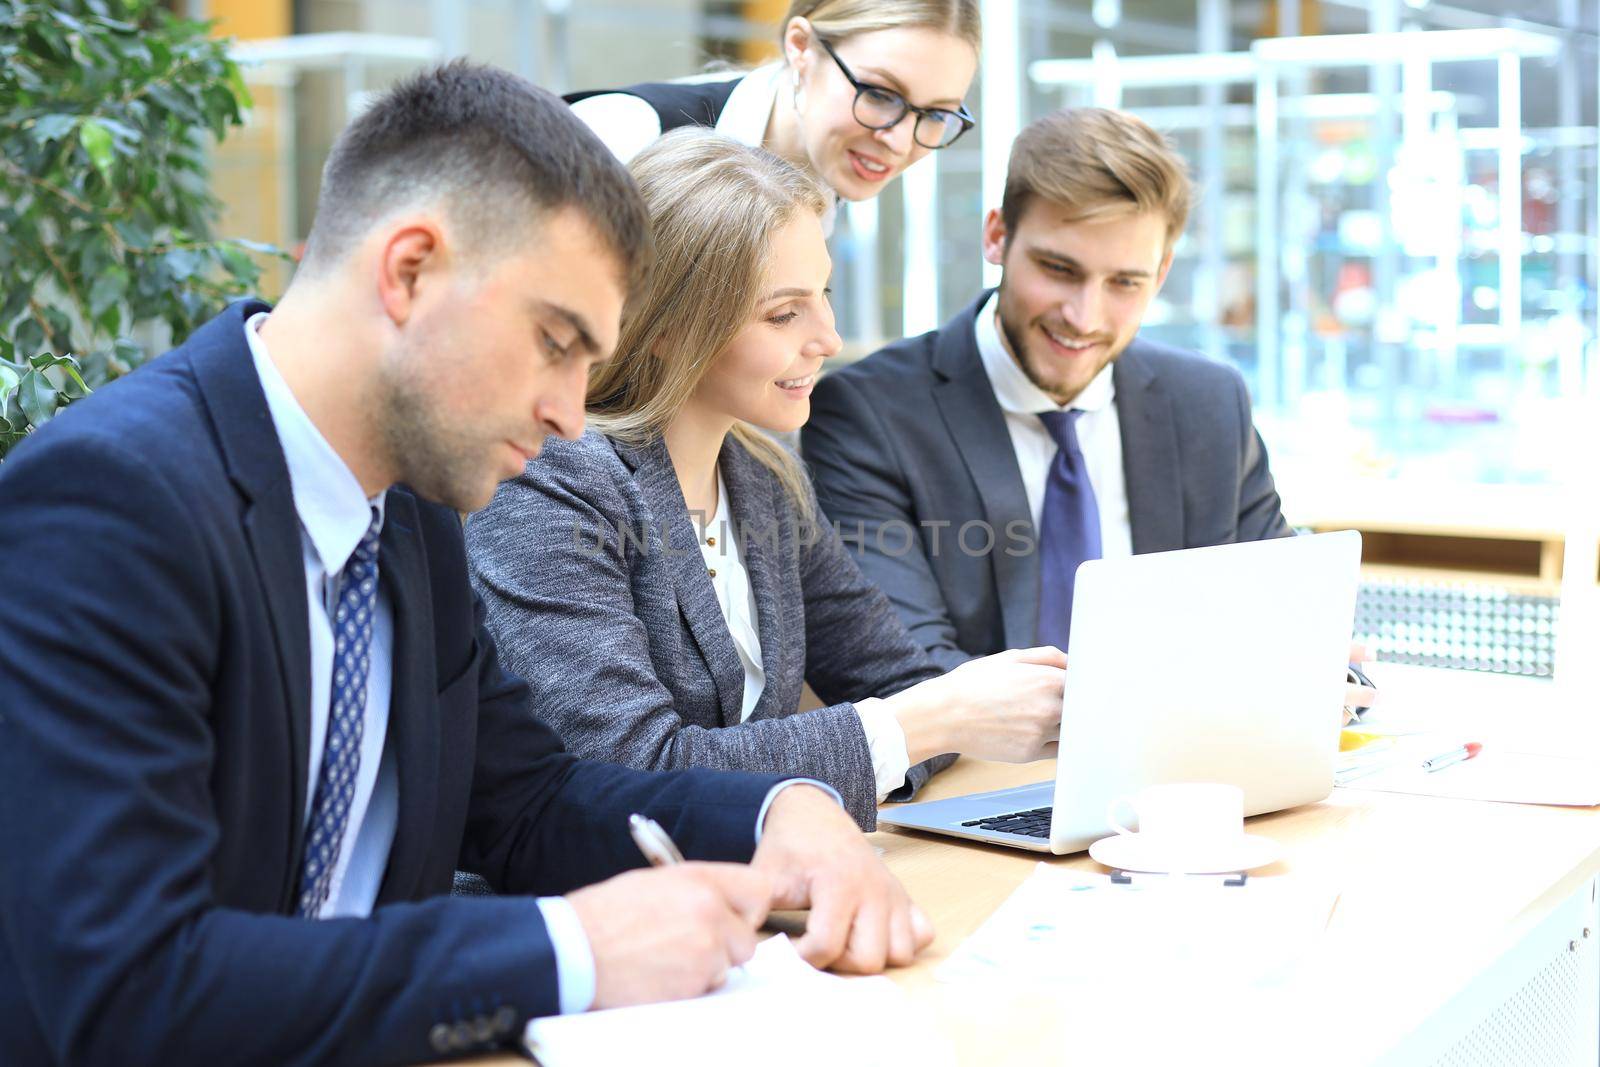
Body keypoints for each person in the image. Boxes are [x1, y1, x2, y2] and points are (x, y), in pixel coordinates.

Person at [0, 64, 932, 1067]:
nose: (575, 412)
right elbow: (130, 984)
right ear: (409, 271)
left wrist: (776, 806)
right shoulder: (112, 500)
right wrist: (565, 946)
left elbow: (526, 802)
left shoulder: (409, 505)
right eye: (555, 343)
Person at [466, 131, 1066, 832]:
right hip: (592, 914)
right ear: (664, 323)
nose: (828, 338)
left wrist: (943, 714)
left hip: (752, 890)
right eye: (784, 313)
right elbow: (630, 772)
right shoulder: (552, 480)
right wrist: (926, 721)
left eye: (824, 296)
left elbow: (897, 685)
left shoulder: (762, 477)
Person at [802, 107, 1297, 670]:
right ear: (997, 236)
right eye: (1059, 270)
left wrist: (1319, 665)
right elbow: (902, 670)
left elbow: (1284, 612)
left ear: (1160, 275)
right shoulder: (868, 415)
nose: (1085, 317)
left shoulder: (1208, 404)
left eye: (1124, 283)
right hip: (982, 761)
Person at [566, 0, 979, 230]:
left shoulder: (824, 181)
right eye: (879, 94)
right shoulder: (625, 134)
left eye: (936, 115)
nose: (901, 141)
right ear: (800, 46)